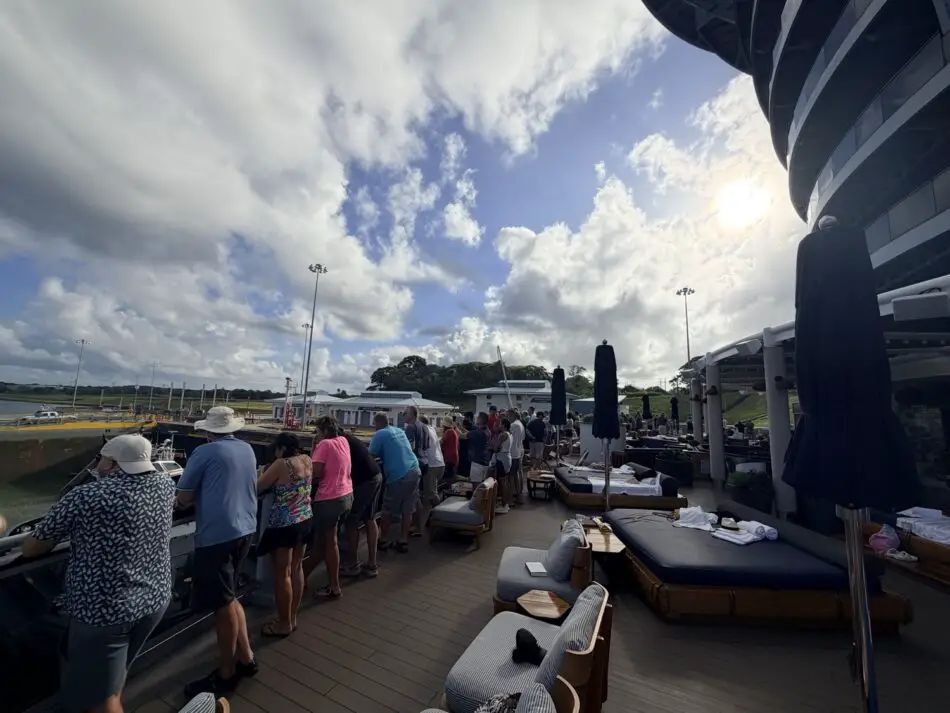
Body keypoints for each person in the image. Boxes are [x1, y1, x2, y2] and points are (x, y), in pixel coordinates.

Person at [22, 434, 175, 713]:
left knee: (97, 701)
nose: (98, 465)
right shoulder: (165, 485)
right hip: (154, 598)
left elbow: (33, 547)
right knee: (113, 682)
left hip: (103, 613)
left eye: (102, 459)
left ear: (113, 463)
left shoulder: (87, 496)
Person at [176, 406, 259, 698]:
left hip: (217, 536)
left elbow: (183, 498)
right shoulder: (247, 449)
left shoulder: (205, 453)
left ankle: (226, 673)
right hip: (246, 529)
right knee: (230, 596)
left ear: (208, 430)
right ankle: (246, 658)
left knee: (222, 607)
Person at [256, 432, 313, 637]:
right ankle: (292, 617)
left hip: (284, 525)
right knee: (297, 568)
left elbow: (259, 486)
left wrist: (262, 472)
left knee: (283, 575)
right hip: (305, 518)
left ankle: (284, 623)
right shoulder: (307, 459)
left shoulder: (281, 464)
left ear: (281, 448)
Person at [304, 416, 353, 600]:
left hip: (329, 499)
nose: (316, 435)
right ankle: (303, 575)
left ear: (323, 431)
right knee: (322, 542)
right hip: (346, 495)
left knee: (329, 542)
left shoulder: (325, 445)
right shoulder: (343, 441)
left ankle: (334, 585)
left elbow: (314, 472)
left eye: (317, 432)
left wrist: (316, 446)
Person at [368, 412, 421, 553]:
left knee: (387, 510)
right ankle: (403, 541)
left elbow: (369, 456)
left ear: (377, 423)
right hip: (415, 470)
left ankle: (383, 540)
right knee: (407, 509)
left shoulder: (379, 434)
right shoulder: (399, 430)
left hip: (399, 475)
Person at [340, 428, 383, 579]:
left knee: (351, 521)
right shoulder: (350, 439)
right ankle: (372, 563)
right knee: (370, 519)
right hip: (375, 475)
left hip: (365, 482)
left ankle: (352, 564)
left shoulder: (339, 442)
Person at [490, 418, 513, 514]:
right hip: (507, 458)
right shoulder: (510, 434)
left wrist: (489, 447)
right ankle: (505, 503)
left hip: (501, 459)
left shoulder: (503, 435)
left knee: (503, 483)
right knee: (505, 482)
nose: (499, 426)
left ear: (503, 425)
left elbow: (495, 448)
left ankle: (504, 505)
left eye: (500, 424)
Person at [507, 409, 525, 504]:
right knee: (517, 474)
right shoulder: (520, 424)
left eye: (508, 415)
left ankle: (512, 496)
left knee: (511, 476)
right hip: (518, 451)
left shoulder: (513, 425)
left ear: (513, 415)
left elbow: (509, 439)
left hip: (513, 453)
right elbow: (523, 438)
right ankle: (518, 493)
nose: (507, 417)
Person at [468, 412, 491, 483]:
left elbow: (462, 435)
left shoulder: (478, 432)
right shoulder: (487, 431)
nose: (476, 419)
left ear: (481, 419)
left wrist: (455, 427)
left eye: (477, 417)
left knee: (476, 486)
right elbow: (470, 433)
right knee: (483, 486)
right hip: (485, 461)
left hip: (477, 463)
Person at [440, 415, 459, 481]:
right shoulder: (453, 431)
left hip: (449, 458)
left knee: (448, 478)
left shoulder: (448, 432)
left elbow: (441, 442)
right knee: (451, 476)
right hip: (453, 457)